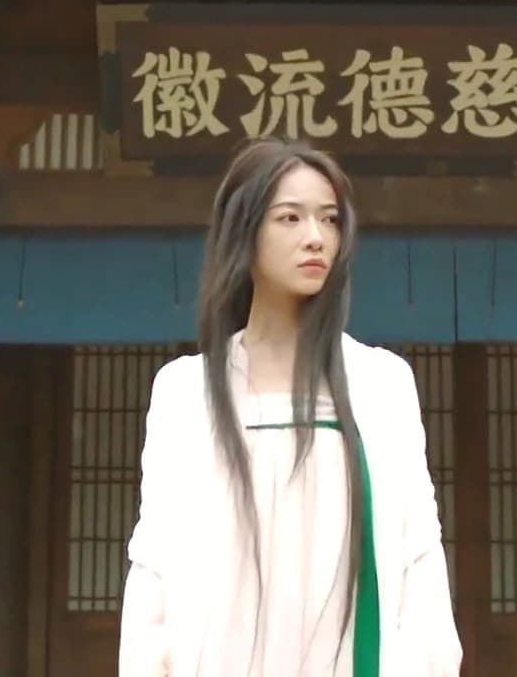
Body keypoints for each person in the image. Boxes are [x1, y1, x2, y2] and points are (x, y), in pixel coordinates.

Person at [118, 138, 463, 677]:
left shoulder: (380, 383)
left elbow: (419, 551)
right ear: (245, 230)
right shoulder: (186, 390)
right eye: (290, 218)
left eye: (330, 219)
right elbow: (155, 563)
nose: (316, 237)